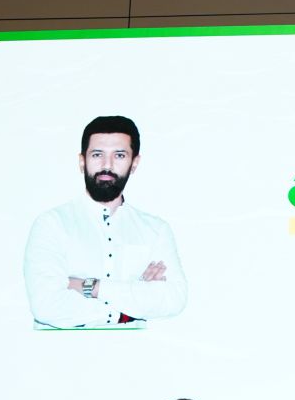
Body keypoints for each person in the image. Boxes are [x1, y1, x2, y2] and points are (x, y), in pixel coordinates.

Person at [23, 114, 188, 329]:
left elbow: (174, 299)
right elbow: (46, 305)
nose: (106, 165)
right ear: (82, 161)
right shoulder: (52, 224)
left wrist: (90, 287)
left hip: (137, 350)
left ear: (134, 163)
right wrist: (128, 308)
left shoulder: (156, 230)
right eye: (97, 154)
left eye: (119, 155)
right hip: (61, 350)